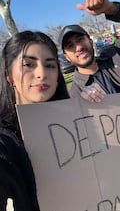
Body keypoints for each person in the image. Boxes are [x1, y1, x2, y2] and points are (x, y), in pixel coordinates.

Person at [0, 31, 70, 211]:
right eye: (29, 65)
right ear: (8, 75)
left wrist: (92, 105)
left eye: (50, 65)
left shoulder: (73, 120)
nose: (41, 73)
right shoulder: (5, 140)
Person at [58, 0, 120, 102]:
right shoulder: (74, 96)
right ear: (66, 57)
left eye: (80, 39)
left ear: (90, 41)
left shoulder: (118, 54)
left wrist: (112, 9)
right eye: (70, 46)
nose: (79, 47)